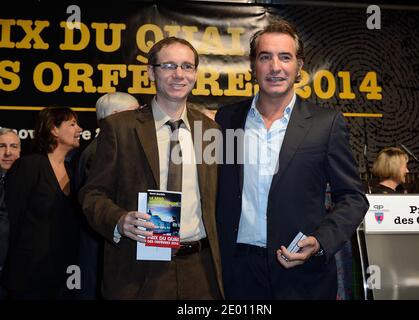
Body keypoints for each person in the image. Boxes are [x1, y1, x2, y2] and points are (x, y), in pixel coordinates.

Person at [215, 18, 369, 299]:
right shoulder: (227, 119)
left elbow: (353, 199)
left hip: (301, 272)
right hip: (238, 273)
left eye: (285, 57)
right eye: (265, 57)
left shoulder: (327, 123)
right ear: (252, 66)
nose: (275, 67)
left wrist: (320, 241)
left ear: (299, 67)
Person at [79, 37, 223, 299]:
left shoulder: (210, 131)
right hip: (137, 270)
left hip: (200, 272)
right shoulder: (120, 127)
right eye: (168, 66)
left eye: (187, 66)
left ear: (195, 74)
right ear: (150, 72)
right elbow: (92, 195)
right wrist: (119, 220)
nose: (179, 74)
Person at [1, 108, 83, 299]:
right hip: (28, 277)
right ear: (54, 129)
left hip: (63, 276)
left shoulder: (72, 171)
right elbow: (12, 218)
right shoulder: (29, 166)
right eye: (72, 124)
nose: (79, 128)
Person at [76, 92, 140, 300]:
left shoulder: (101, 148)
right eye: (135, 114)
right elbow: (96, 201)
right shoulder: (98, 152)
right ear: (115, 116)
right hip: (104, 248)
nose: (141, 120)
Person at [0, 128, 21, 299]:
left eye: (13, 146)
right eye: (1, 146)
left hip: (19, 271)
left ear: (20, 151)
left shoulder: (32, 185)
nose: (8, 152)